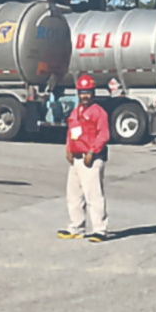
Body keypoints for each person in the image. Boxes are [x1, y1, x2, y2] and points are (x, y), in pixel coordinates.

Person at [58, 74, 110, 243]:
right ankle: (76, 227)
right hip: (77, 159)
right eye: (82, 92)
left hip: (91, 159)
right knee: (73, 195)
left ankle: (99, 229)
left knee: (93, 195)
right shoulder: (76, 111)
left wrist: (92, 152)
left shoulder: (98, 112)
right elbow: (71, 130)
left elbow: (104, 135)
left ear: (93, 92)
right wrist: (68, 149)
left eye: (88, 92)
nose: (85, 96)